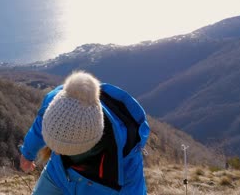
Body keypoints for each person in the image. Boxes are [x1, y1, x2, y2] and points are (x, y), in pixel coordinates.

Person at [20, 71, 149, 194]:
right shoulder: (60, 102)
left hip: (97, 188)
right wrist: (27, 153)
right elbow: (39, 127)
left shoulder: (125, 170)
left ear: (86, 146)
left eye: (63, 149)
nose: (55, 152)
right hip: (58, 174)